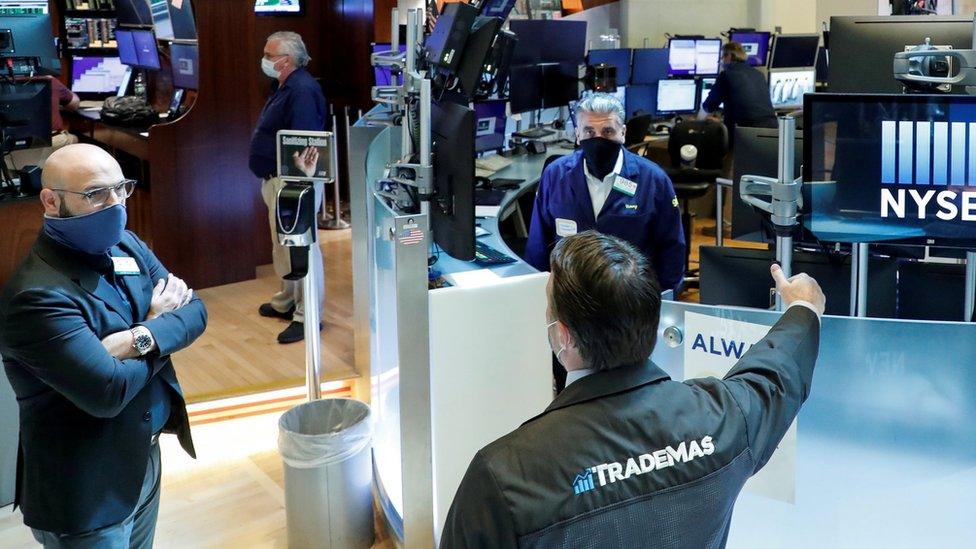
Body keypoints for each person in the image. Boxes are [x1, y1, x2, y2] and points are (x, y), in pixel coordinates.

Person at [440, 231, 824, 548]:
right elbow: (776, 374)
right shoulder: (724, 419)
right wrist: (803, 309)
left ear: (563, 336)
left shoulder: (503, 477)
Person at [0, 143, 207, 548]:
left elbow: (195, 311)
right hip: (87, 490)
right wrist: (158, 322)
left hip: (142, 458)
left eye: (122, 189)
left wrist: (138, 337)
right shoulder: (35, 295)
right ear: (51, 200)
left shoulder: (126, 245)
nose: (116, 204)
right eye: (96, 194)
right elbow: (107, 391)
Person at [524, 93, 685, 294]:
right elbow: (538, 247)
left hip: (630, 299)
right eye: (589, 132)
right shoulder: (555, 175)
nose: (598, 139)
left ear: (623, 132)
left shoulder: (653, 180)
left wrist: (662, 303)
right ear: (577, 134)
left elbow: (672, 250)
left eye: (607, 131)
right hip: (571, 296)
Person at [248, 31, 327, 344]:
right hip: (275, 178)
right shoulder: (282, 85)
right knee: (283, 247)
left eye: (270, 55)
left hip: (294, 182)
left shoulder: (303, 90)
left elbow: (304, 142)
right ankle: (287, 300)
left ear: (287, 59)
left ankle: (308, 316)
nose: (265, 60)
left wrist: (296, 187)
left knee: (301, 248)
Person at [701, 42, 777, 141]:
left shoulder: (726, 75)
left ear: (729, 56)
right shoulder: (758, 74)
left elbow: (709, 106)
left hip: (745, 132)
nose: (721, 62)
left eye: (722, 58)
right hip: (772, 129)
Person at [8, 75, 80, 169]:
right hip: (51, 143)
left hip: (10, 147)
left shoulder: (5, 82)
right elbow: (75, 104)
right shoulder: (48, 79)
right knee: (74, 138)